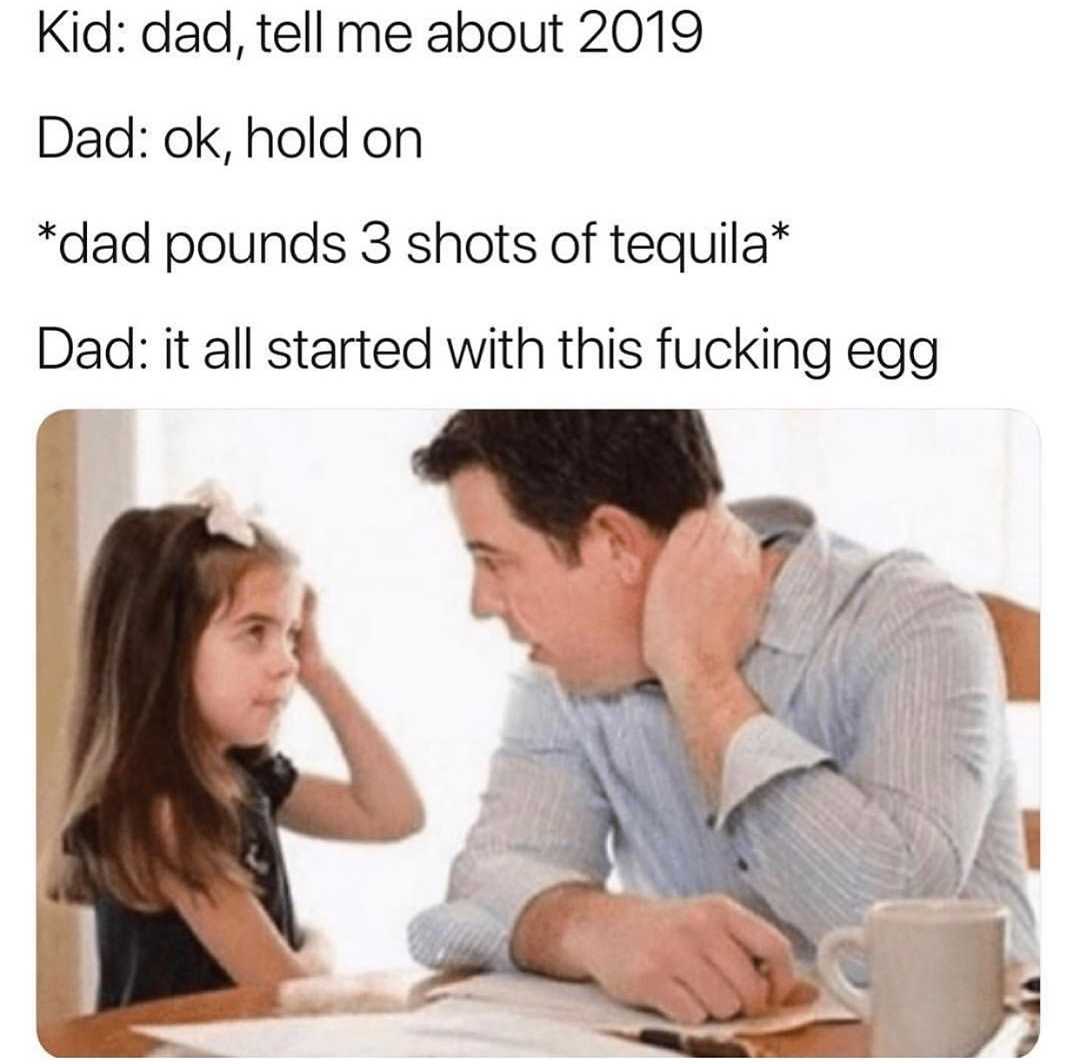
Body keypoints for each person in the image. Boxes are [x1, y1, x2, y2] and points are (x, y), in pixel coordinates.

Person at [406, 410, 1038, 1026]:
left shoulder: (917, 620)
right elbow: (475, 893)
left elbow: (884, 922)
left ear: (615, 543)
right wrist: (595, 928)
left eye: (494, 561)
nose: (480, 603)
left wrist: (700, 675)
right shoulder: (570, 672)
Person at [45, 482, 425, 1009]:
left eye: (291, 635)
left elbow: (393, 813)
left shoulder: (245, 779)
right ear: (167, 652)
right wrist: (319, 950)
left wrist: (320, 670)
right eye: (255, 632)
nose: (286, 660)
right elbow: (289, 990)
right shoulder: (166, 814)